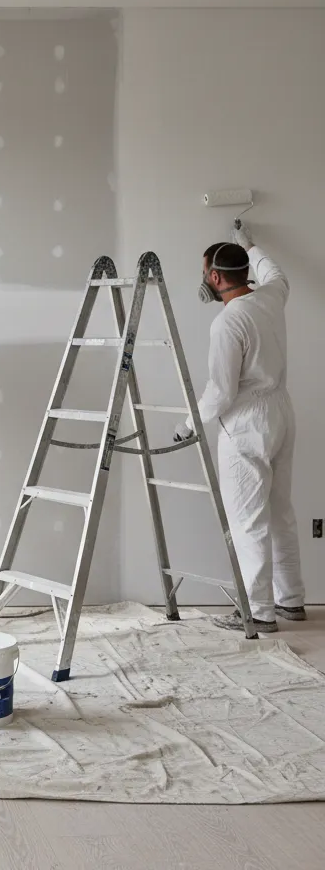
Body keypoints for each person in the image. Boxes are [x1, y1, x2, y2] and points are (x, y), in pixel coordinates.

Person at [173, 219, 304, 633]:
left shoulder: (228, 322)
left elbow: (221, 391)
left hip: (247, 421)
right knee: (280, 511)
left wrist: (187, 425)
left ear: (214, 276)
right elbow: (275, 273)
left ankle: (259, 611)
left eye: (204, 273)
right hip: (281, 411)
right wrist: (249, 244)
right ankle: (292, 601)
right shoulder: (271, 297)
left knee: (248, 518)